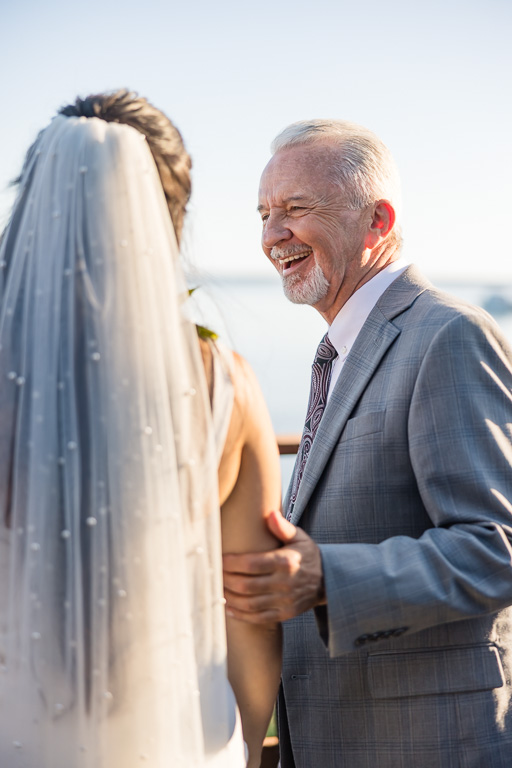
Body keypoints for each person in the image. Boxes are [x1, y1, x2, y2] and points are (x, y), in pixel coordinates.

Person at [0, 90, 281, 768]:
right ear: (167, 218)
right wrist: (246, 748)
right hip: (178, 739)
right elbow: (250, 612)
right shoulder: (225, 383)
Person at [222, 119, 512, 766]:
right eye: (265, 214)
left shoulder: (449, 336)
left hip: (428, 743)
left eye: (296, 210)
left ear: (377, 220)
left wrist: (325, 577)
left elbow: (498, 549)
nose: (272, 236)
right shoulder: (342, 350)